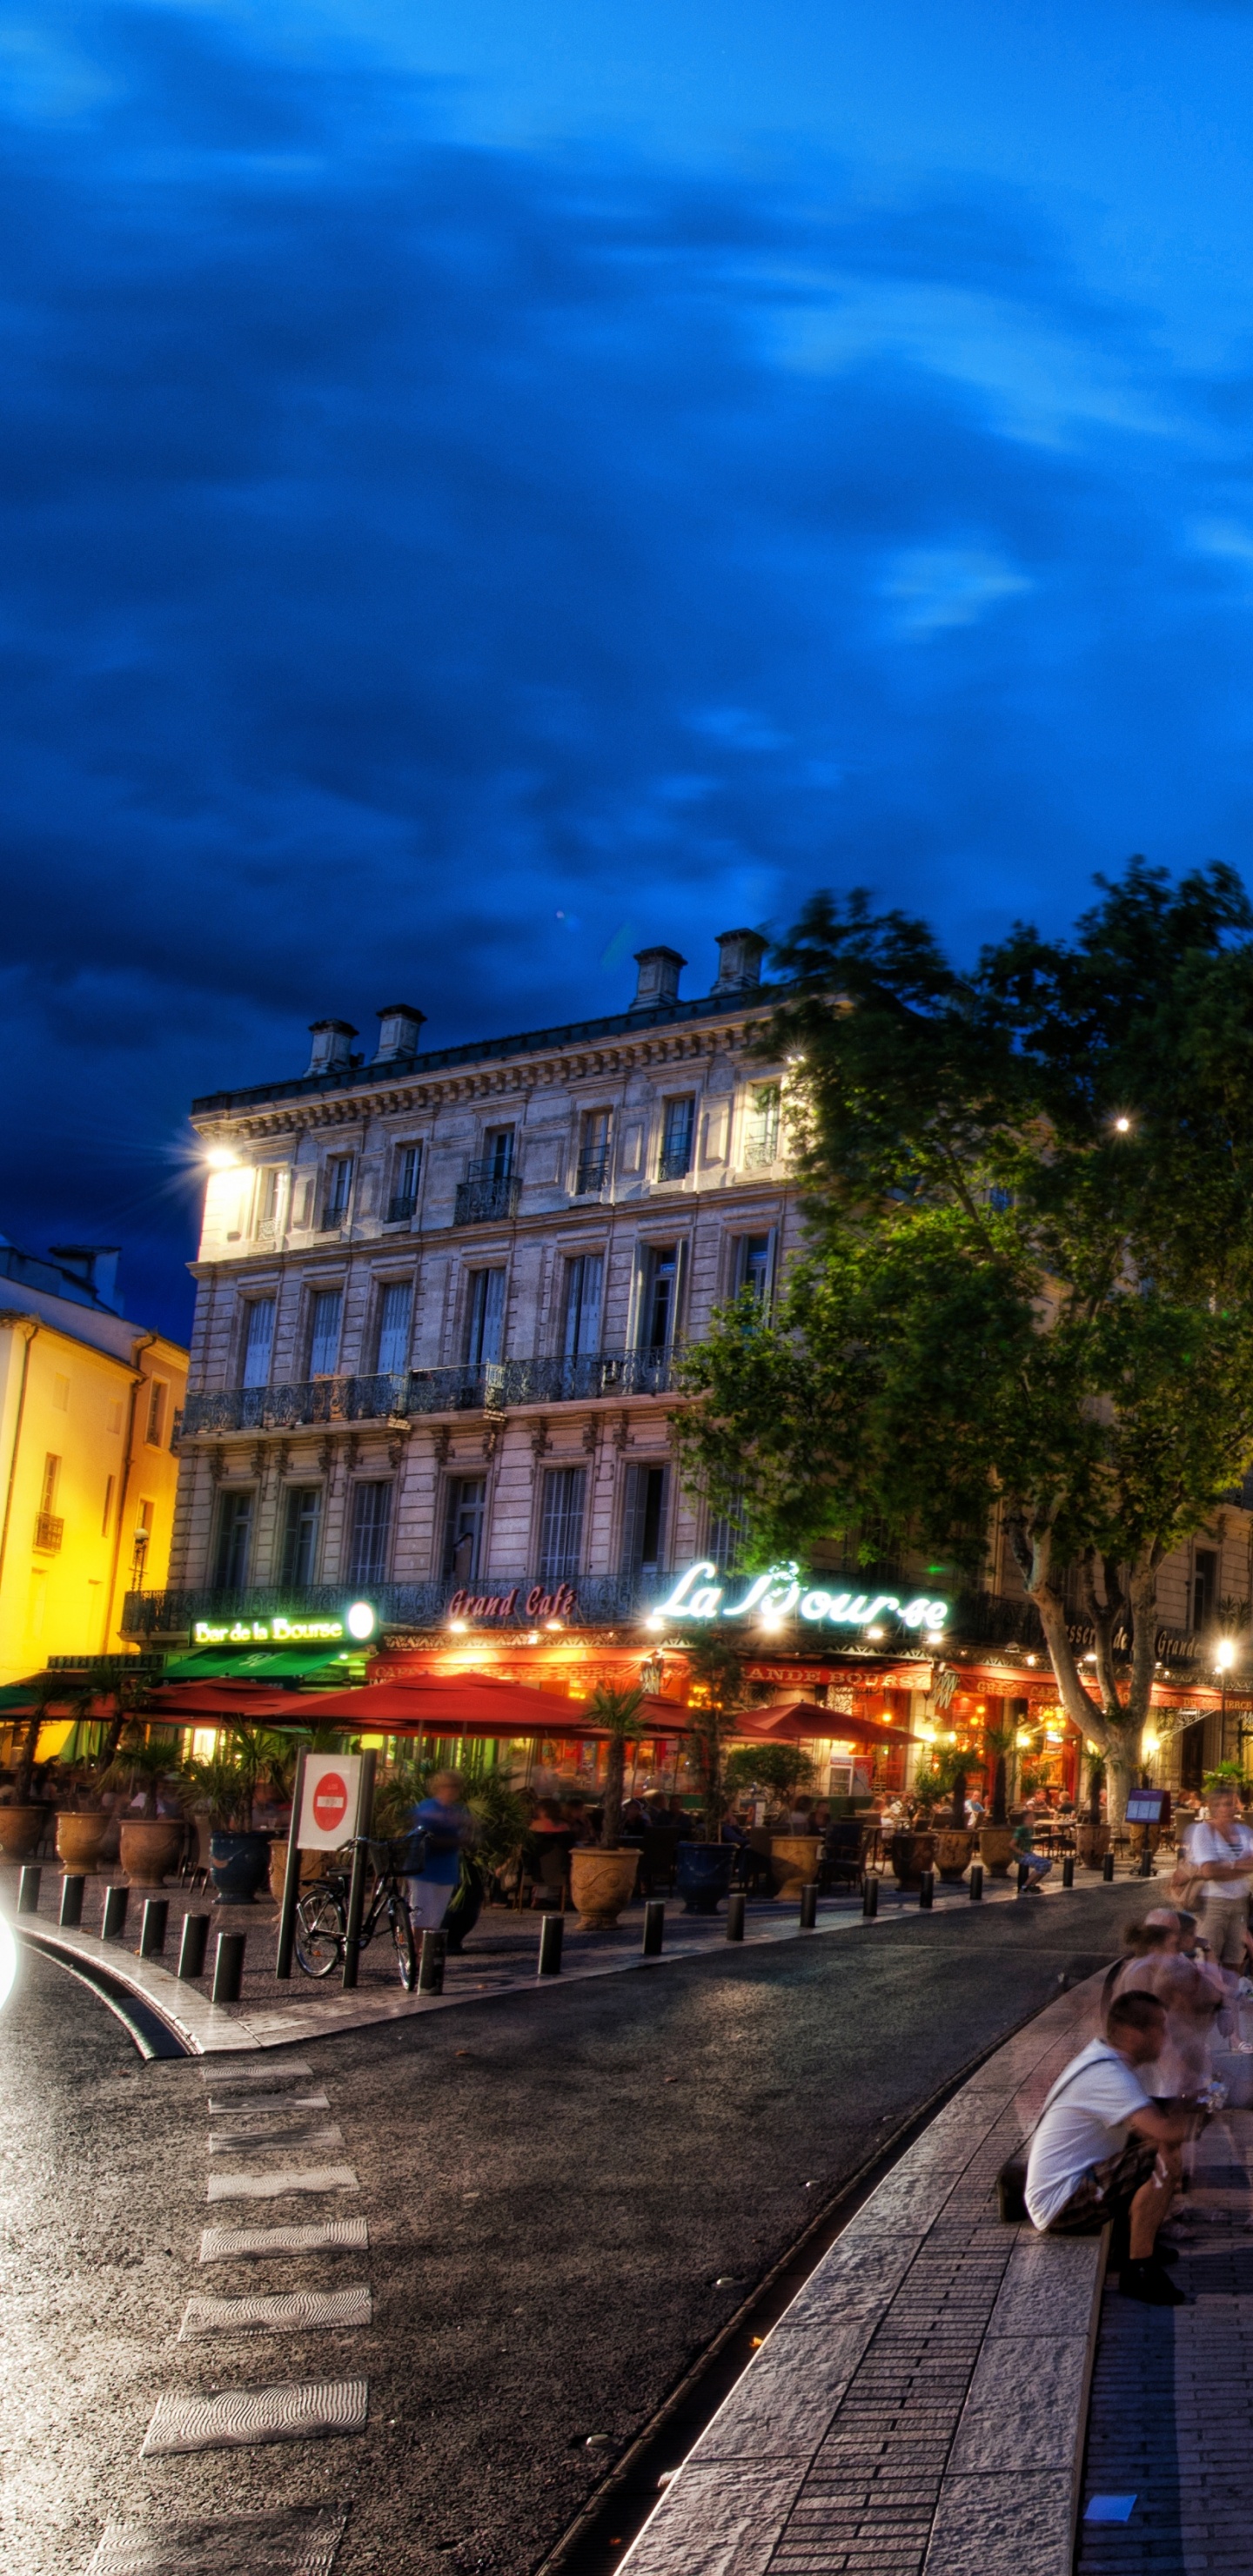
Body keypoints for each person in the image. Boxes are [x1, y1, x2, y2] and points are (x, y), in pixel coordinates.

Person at [1025, 1991, 1189, 2304]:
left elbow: (1147, 2114)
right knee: (1161, 2155)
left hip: (1070, 2187)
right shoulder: (1108, 2074)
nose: (1166, 2036)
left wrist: (1184, 2104)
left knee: (1151, 2143)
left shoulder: (1102, 2059)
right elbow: (1165, 2130)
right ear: (1131, 2034)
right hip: (1062, 2203)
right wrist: (1205, 2111)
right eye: (1159, 2027)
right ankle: (1138, 2268)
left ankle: (1135, 2244)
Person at [1190, 1785, 1253, 1969]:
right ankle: (1208, 1997)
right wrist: (1241, 1865)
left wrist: (1225, 1865)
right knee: (1208, 1958)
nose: (1231, 1808)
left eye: (1233, 1804)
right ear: (1214, 1807)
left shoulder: (1244, 1832)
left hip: (1240, 1903)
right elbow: (1209, 1871)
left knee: (1235, 1959)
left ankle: (1230, 1996)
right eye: (1225, 1804)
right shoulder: (1203, 1831)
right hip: (1213, 1903)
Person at [405, 1769, 472, 1935]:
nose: (452, 1790)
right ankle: (416, 1956)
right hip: (423, 1869)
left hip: (446, 1869)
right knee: (420, 1916)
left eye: (456, 1787)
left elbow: (468, 1835)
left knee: (435, 1919)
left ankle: (425, 1955)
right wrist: (456, 1840)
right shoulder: (427, 1807)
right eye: (448, 1786)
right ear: (439, 1787)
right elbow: (425, 1837)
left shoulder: (459, 1810)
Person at [1012, 1813, 1051, 1891]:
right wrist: (1022, 1853)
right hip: (1021, 1855)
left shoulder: (1029, 1830)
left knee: (1048, 1864)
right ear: (1025, 1820)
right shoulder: (1021, 1830)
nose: (1033, 1821)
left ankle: (1032, 1884)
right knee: (1041, 1865)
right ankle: (1024, 1887)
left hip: (1028, 1853)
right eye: (1031, 1819)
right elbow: (1012, 1844)